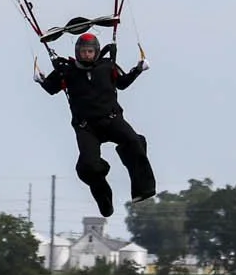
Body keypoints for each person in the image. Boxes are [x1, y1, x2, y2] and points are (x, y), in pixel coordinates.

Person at [36, 32, 155, 218]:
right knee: (88, 167)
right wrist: (41, 79)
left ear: (96, 51)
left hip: (112, 120)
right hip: (86, 128)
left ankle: (142, 190)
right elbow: (51, 88)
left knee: (135, 143)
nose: (87, 55)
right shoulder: (66, 70)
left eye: (90, 51)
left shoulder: (108, 66)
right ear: (77, 52)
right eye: (83, 51)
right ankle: (104, 197)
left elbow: (122, 83)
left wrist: (138, 70)